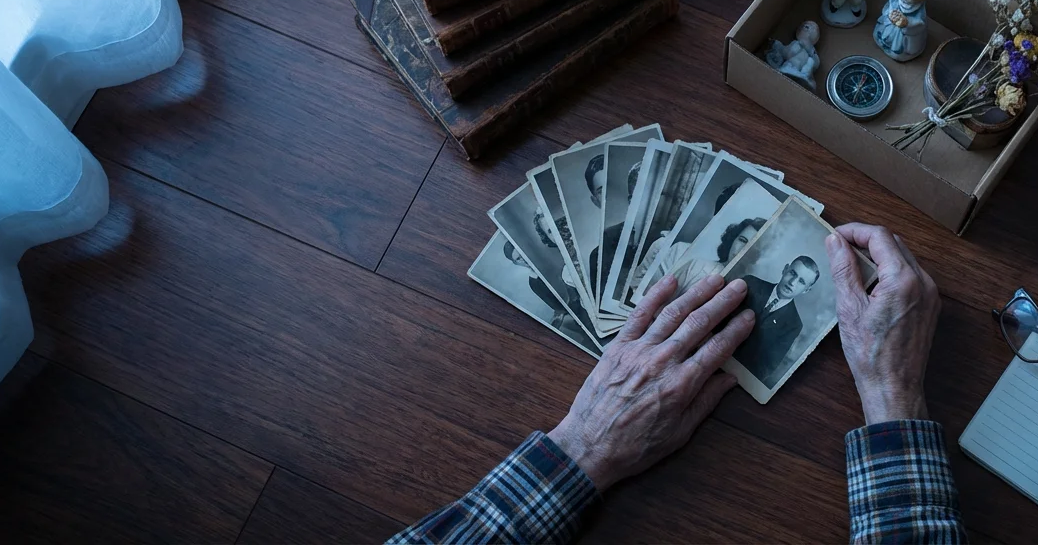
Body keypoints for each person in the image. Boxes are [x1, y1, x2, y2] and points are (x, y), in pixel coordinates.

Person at [389, 224, 963, 544]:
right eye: (792, 270)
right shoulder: (752, 284)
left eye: (801, 276)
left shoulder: (795, 323)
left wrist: (585, 447)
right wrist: (893, 394)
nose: (791, 277)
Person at [734, 254, 818, 384]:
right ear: (785, 269)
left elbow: (766, 367)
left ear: (806, 290)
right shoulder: (751, 283)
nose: (792, 283)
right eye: (792, 273)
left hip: (736, 375)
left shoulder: (793, 324)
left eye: (801, 282)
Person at [666, 216, 765, 291]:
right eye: (742, 240)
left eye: (752, 246)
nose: (743, 249)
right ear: (733, 239)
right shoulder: (697, 266)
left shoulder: (750, 292)